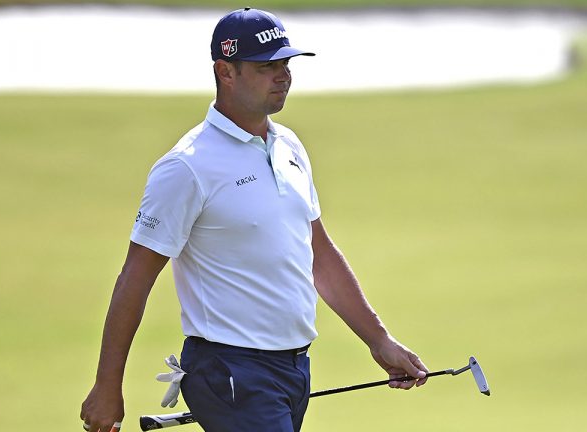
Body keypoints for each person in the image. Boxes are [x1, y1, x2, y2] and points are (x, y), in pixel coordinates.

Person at [80, 8, 429, 432]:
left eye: (285, 64)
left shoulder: (290, 146)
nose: (283, 75)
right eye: (267, 67)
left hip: (294, 369)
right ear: (225, 72)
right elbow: (135, 278)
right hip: (230, 370)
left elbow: (320, 255)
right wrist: (107, 385)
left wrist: (379, 341)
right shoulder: (187, 167)